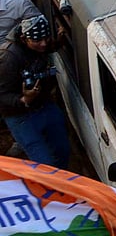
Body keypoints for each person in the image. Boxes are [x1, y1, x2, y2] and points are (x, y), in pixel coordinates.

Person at [0, 16, 70, 167]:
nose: (43, 44)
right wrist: (23, 99)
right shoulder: (9, 59)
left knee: (63, 150)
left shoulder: (40, 45)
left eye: (46, 38)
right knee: (45, 164)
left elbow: (48, 46)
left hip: (44, 105)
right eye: (38, 41)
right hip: (20, 116)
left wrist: (59, 40)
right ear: (24, 39)